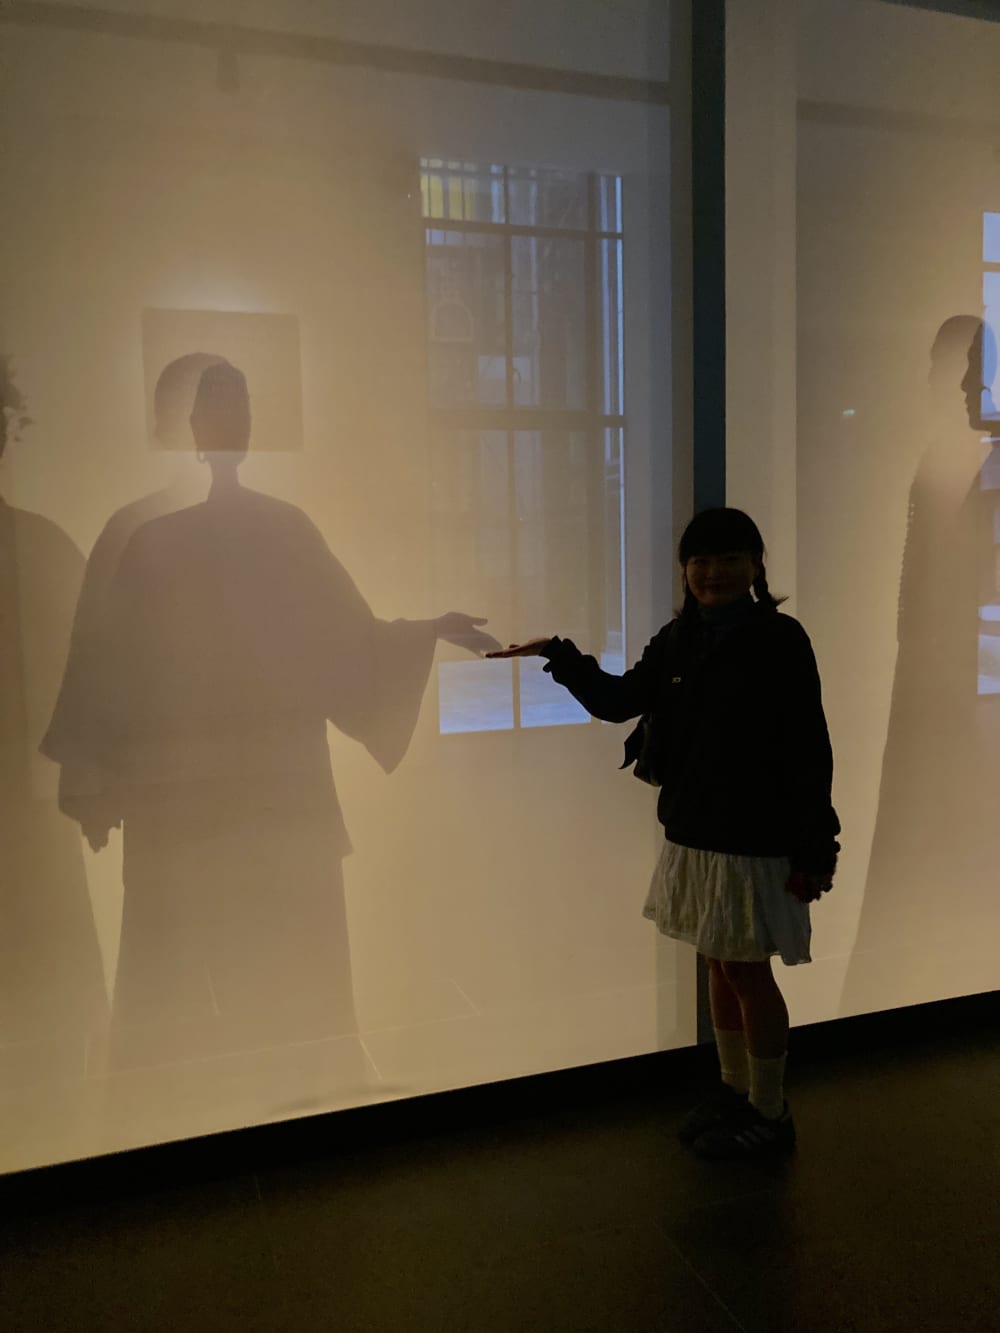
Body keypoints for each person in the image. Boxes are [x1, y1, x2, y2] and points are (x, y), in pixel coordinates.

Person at [42, 360, 499, 1074]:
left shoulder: (270, 529)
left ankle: (291, 1103)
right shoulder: (148, 536)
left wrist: (422, 630)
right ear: (189, 429)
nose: (233, 426)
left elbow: (349, 637)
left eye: (241, 410)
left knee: (285, 969)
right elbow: (107, 663)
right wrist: (95, 774)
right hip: (200, 797)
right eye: (219, 411)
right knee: (194, 978)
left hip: (267, 794)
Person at [488, 507, 839, 1160]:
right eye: (700, 560)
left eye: (729, 558)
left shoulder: (780, 638)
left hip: (753, 837)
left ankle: (771, 1108)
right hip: (694, 831)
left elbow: (808, 745)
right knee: (715, 960)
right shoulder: (679, 638)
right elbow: (619, 699)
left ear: (756, 565)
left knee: (745, 967)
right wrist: (558, 656)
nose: (713, 572)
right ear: (686, 570)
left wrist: (817, 841)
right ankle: (738, 1091)